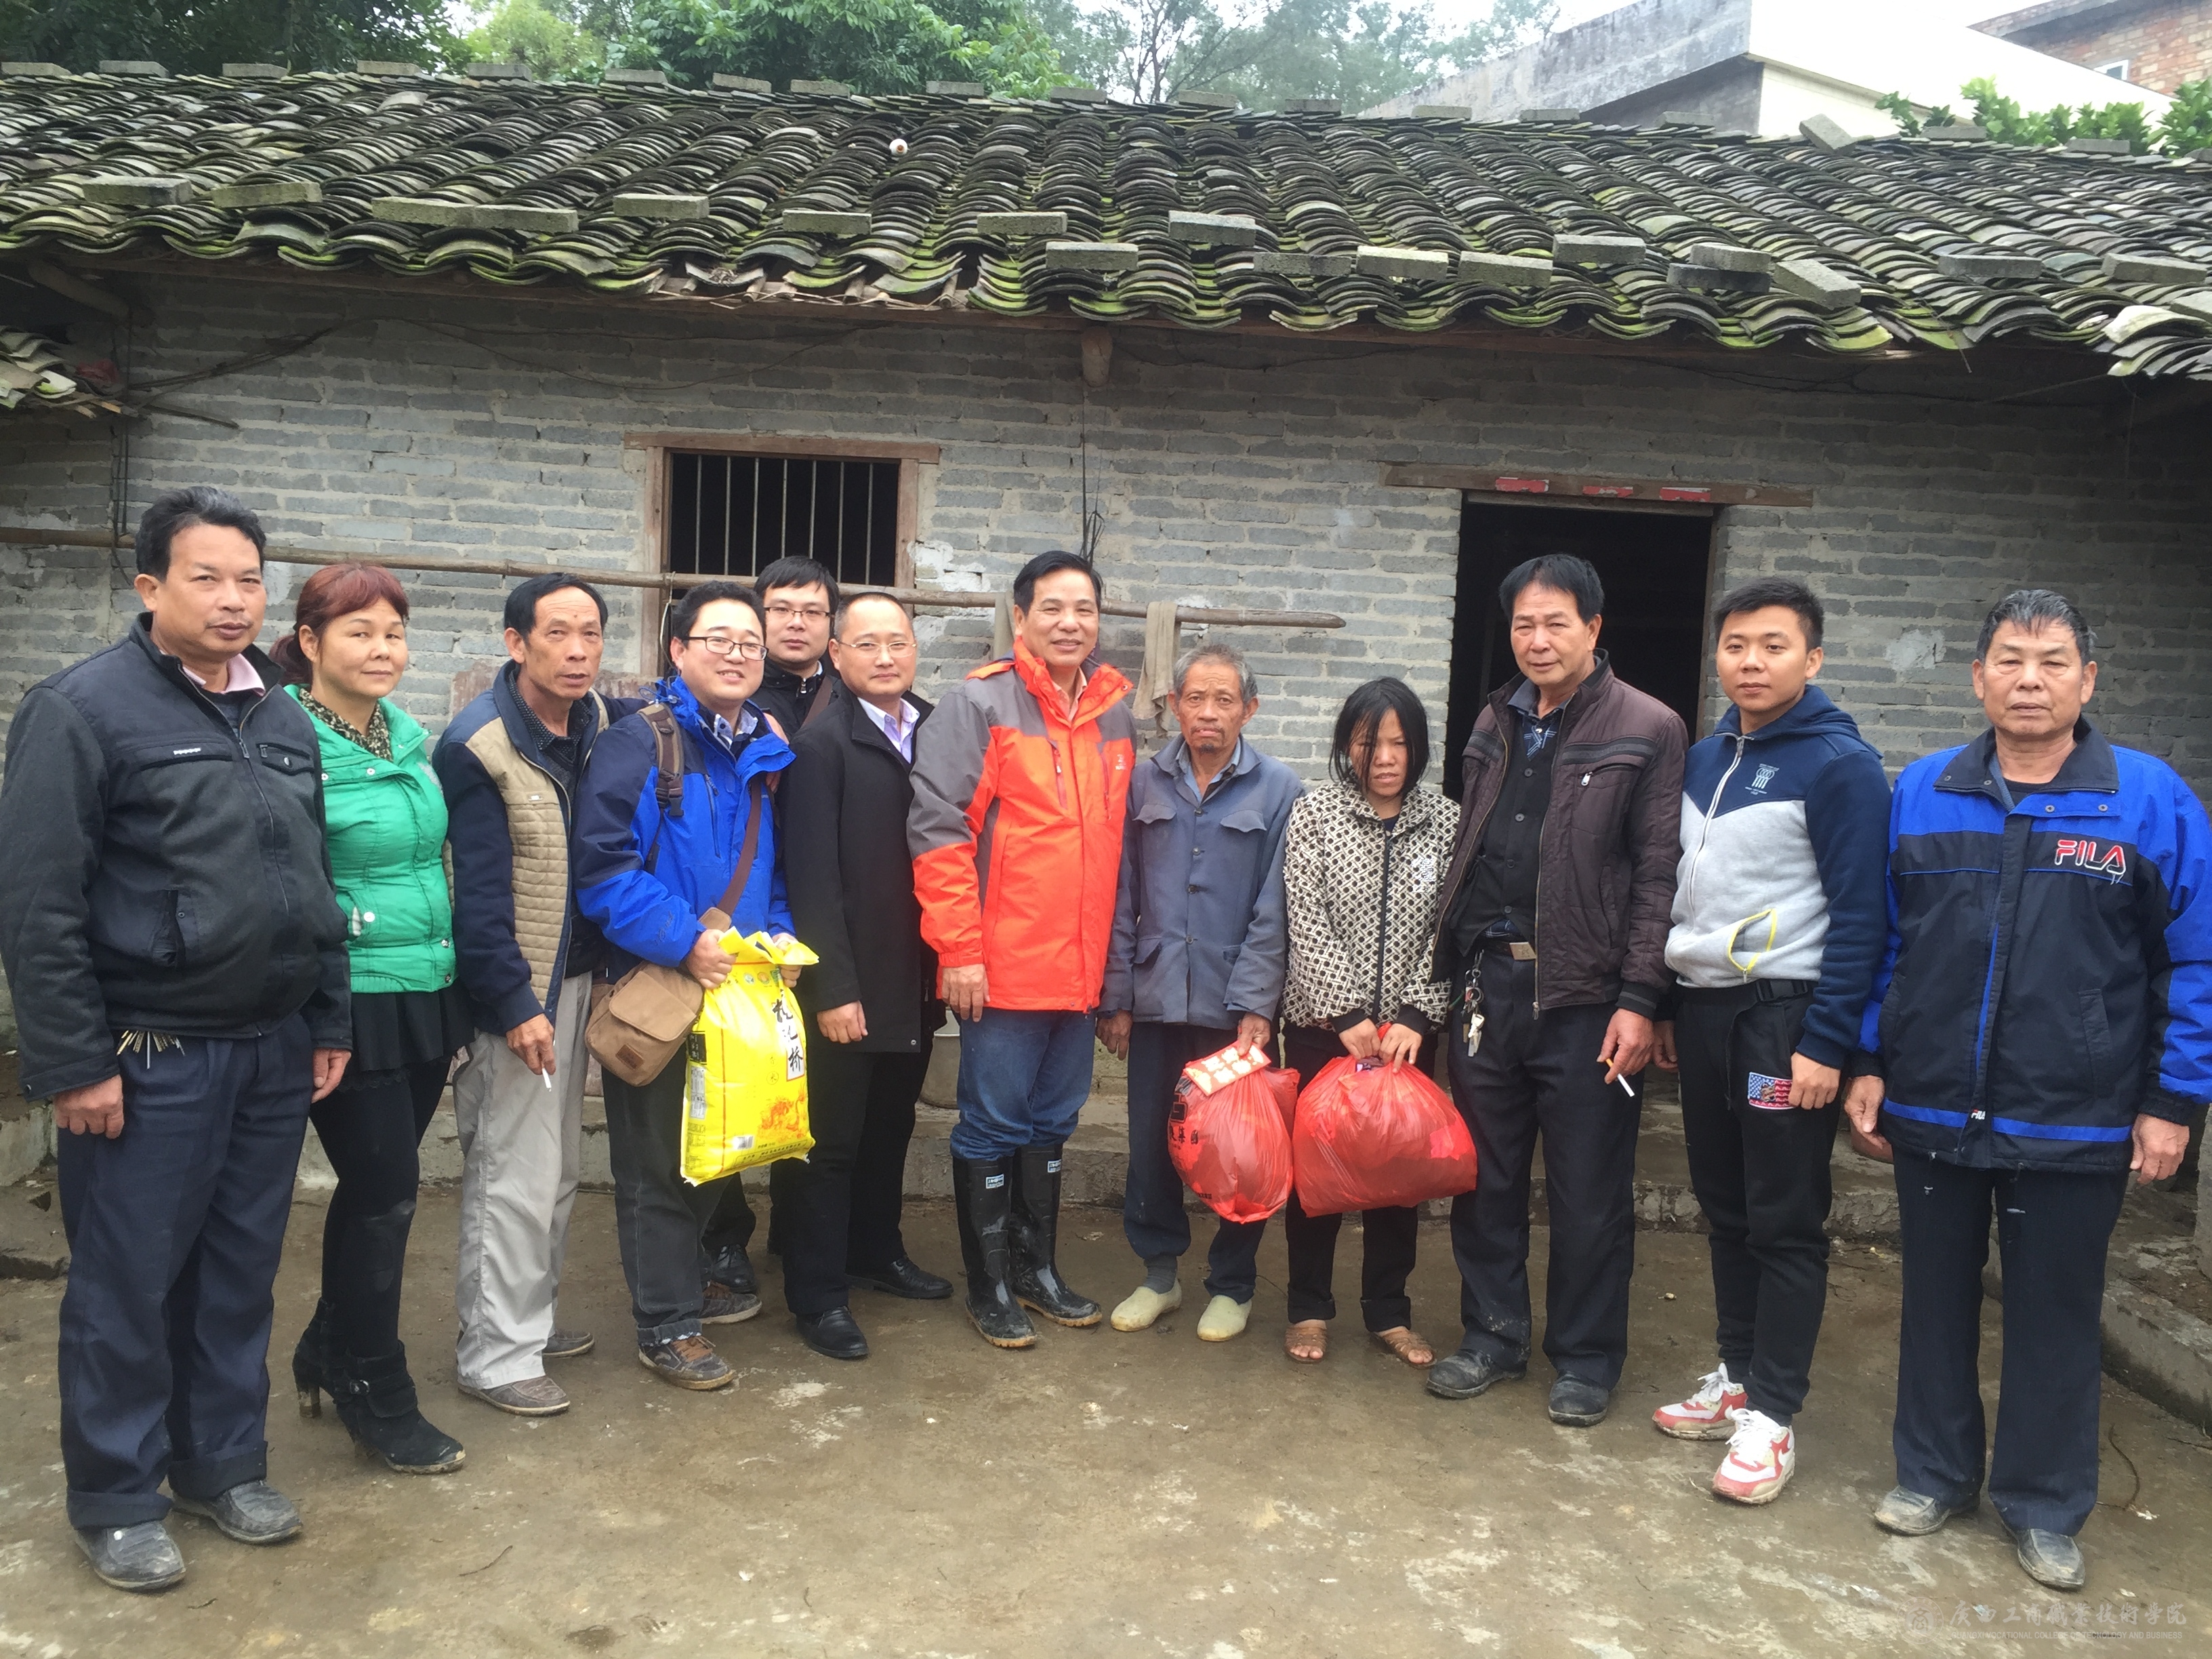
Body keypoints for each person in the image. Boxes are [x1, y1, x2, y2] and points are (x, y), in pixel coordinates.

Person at [0, 488, 350, 1593]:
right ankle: (117, 1497)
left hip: (268, 1050)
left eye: (249, 579)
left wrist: (326, 1016)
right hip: (149, 1055)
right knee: (128, 1285)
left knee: (239, 1274)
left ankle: (221, 1466)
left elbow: (313, 880)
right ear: (149, 585)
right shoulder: (81, 711)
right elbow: (39, 904)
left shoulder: (282, 716)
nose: (232, 599)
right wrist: (73, 1062)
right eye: (206, 577)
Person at [1844, 590, 2207, 1593]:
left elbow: (2196, 961)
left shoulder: (2148, 800)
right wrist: (1870, 1059)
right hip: (1931, 1102)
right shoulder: (1924, 791)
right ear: (1978, 677)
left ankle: (2045, 1505)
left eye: (2053, 662)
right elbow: (1888, 944)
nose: (2030, 680)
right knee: (1934, 1301)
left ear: (2088, 679)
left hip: (2077, 1113)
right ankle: (1932, 1474)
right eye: (2010, 660)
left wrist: (2174, 1102)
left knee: (2056, 1315)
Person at [1426, 554, 1685, 1429]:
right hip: (1488, 983)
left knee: (1588, 1190)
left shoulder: (1649, 726)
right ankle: (1493, 1336)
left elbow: (1658, 871)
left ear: (1593, 629)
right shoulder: (1495, 718)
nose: (1537, 640)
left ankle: (1586, 1357)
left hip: (1586, 997)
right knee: (1486, 1178)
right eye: (1523, 625)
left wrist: (1641, 998)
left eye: (1556, 623)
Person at [1647, 578, 1891, 1504]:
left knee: (1784, 1216)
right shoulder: (1707, 756)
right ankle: (1739, 1375)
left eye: (1774, 646)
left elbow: (1863, 916)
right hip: (1708, 1012)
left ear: (1813, 658)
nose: (1751, 662)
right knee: (1725, 1206)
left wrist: (1830, 1043)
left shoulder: (1841, 766)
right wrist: (1668, 1005)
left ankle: (1775, 1416)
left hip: (1785, 1021)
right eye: (1737, 645)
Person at [573, 581, 799, 1391]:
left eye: (750, 643)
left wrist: (778, 935)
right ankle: (666, 1325)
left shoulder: (761, 750)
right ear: (678, 650)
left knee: (718, 1148)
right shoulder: (640, 743)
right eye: (718, 640)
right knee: (657, 1163)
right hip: (658, 984)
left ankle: (685, 1282)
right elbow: (603, 870)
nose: (737, 655)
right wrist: (685, 941)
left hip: (738, 987)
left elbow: (769, 868)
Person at [272, 565, 473, 1477]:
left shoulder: (406, 735)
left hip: (423, 988)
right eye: (359, 632)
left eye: (393, 631)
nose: (382, 648)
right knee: (386, 1192)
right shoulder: (284, 742)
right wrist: (326, 1012)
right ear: (311, 643)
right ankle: (373, 1385)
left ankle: (326, 1343)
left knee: (377, 1192)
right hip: (348, 997)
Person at [909, 550, 1136, 1349]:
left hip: (1079, 973)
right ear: (1020, 617)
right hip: (1002, 970)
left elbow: (1117, 852)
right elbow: (940, 833)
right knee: (992, 1126)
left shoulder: (1114, 713)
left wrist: (1112, 977)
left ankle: (1037, 1272)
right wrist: (960, 951)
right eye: (1052, 608)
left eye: (1085, 609)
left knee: (1052, 1124)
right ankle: (990, 1286)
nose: (1070, 623)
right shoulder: (979, 704)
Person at [435, 573, 643, 1417]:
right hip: (518, 992)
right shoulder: (479, 746)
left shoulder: (599, 723)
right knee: (512, 1172)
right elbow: (475, 897)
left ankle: (529, 1320)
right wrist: (515, 1004)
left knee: (554, 1172)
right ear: (516, 643)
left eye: (591, 633)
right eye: (557, 634)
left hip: (578, 977)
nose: (578, 651)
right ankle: (495, 1355)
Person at [1098, 644, 1303, 1342]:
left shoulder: (1279, 790)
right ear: (1174, 706)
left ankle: (1233, 1284)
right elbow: (1121, 893)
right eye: (1194, 698)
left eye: (1223, 700)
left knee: (1239, 1147)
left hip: (1232, 1008)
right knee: (1152, 1143)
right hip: (1155, 996)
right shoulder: (1143, 782)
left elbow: (1276, 907)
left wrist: (1257, 1006)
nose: (1208, 713)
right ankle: (1159, 1274)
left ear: (1250, 709)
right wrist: (1116, 996)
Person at [777, 592, 956, 1361]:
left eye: (899, 642)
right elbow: (812, 878)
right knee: (829, 1145)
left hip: (915, 977)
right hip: (852, 984)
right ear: (837, 656)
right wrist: (834, 990)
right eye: (868, 644)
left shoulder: (938, 730)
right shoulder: (822, 745)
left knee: (891, 1127)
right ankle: (817, 1294)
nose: (886, 657)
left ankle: (875, 1251)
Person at [1276, 678, 1459, 1367]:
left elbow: (1450, 928)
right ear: (1346, 746)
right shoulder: (1315, 814)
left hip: (1407, 1036)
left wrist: (1416, 1013)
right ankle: (1308, 1306)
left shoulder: (1446, 821)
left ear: (1418, 748)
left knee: (1396, 1174)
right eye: (1368, 742)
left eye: (1399, 743)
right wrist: (1346, 1011)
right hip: (1323, 1028)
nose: (1384, 757)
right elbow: (1305, 916)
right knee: (1317, 1171)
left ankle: (1389, 1311)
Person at [703, 556, 838, 1290]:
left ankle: (799, 1231)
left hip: (812, 920)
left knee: (798, 1082)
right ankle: (724, 1236)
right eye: (781, 610)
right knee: (723, 1077)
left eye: (812, 611)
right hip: (739, 915)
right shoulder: (732, 701)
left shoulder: (852, 692)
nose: (795, 623)